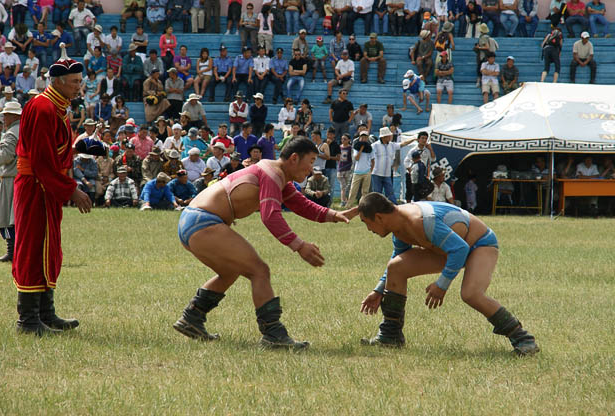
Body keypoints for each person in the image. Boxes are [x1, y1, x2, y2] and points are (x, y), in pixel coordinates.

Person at [173, 136, 356, 348]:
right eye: (311, 161)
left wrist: (334, 214)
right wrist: (299, 246)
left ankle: (192, 318)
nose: (311, 168)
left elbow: (301, 204)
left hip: (193, 221)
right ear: (295, 158)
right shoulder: (272, 174)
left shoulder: (277, 176)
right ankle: (273, 335)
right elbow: (270, 216)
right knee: (259, 271)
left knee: (231, 272)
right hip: (202, 222)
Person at [356, 192, 539, 355]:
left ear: (379, 217)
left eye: (366, 223)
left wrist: (441, 285)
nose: (369, 230)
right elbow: (400, 257)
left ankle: (523, 339)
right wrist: (379, 290)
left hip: (479, 245)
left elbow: (460, 249)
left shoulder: (421, 221)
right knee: (396, 267)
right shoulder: (398, 228)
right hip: (447, 249)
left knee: (471, 294)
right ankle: (390, 336)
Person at [12, 44, 92, 336]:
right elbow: (43, 161)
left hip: (46, 189)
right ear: (57, 82)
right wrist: (72, 190)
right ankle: (28, 320)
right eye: (74, 82)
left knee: (48, 248)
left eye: (79, 82)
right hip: (36, 187)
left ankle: (46, 313)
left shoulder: (58, 107)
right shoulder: (44, 108)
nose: (78, 87)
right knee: (33, 248)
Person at [0, 102, 21, 262]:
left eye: (6, 115)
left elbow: (5, 157)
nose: (4, 118)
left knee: (8, 217)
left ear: (13, 116)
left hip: (11, 177)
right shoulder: (25, 130)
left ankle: (12, 251)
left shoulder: (11, 133)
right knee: (18, 216)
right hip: (23, 176)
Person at [371, 127, 414, 204]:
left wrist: (413, 139)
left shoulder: (392, 145)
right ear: (384, 137)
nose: (390, 137)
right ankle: (377, 208)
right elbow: (371, 159)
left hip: (387, 173)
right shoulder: (375, 146)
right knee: (377, 193)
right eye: (388, 136)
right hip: (376, 173)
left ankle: (394, 206)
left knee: (390, 192)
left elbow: (402, 144)